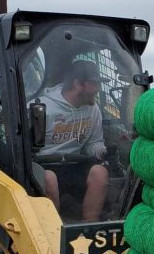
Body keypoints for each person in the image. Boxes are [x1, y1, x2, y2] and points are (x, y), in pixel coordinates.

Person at [33, 58, 108, 220]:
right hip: (44, 165)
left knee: (100, 173)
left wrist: (101, 151)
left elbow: (94, 143)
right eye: (94, 83)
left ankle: (89, 226)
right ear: (78, 84)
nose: (98, 89)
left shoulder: (93, 109)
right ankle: (54, 229)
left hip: (75, 165)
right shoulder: (40, 108)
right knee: (49, 178)